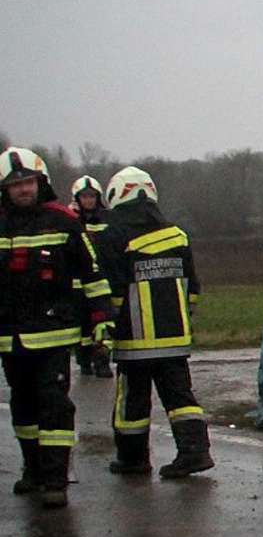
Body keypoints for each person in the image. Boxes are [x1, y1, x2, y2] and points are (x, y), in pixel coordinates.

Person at [0, 147, 111, 505]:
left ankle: (55, 480)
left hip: (54, 335)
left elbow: (92, 276)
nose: (22, 190)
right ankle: (32, 470)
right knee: (23, 406)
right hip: (10, 337)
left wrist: (100, 321)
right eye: (15, 185)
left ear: (40, 181)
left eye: (28, 182)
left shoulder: (63, 220)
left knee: (54, 405)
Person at [94, 166, 212, 478]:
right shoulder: (177, 235)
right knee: (180, 397)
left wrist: (105, 330)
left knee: (132, 402)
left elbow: (112, 291)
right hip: (174, 337)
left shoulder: (113, 236)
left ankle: (133, 459)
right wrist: (184, 318)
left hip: (134, 338)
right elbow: (193, 288)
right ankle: (195, 452)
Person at [70, 178, 114, 378]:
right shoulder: (70, 220)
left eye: (92, 196)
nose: (89, 200)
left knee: (103, 321)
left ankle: (102, 359)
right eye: (85, 196)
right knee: (82, 325)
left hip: (102, 281)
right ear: (77, 198)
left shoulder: (107, 219)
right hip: (77, 283)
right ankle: (84, 359)